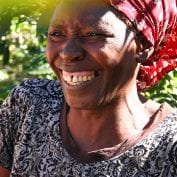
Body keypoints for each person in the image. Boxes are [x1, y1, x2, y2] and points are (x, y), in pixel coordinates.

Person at [0, 0, 177, 176]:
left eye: (92, 34)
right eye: (57, 33)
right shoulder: (29, 105)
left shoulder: (169, 148)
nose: (67, 53)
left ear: (143, 46)